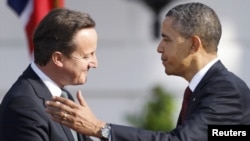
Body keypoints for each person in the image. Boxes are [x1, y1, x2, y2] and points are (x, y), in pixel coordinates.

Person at [45, 2, 250, 141]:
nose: (159, 47)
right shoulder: (206, 87)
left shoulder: (225, 90)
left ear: (193, 44)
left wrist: (100, 128)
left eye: (167, 39)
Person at [0, 8, 98, 141]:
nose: (94, 63)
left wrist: (96, 128)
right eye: (87, 56)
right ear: (58, 59)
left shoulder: (62, 97)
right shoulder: (23, 105)